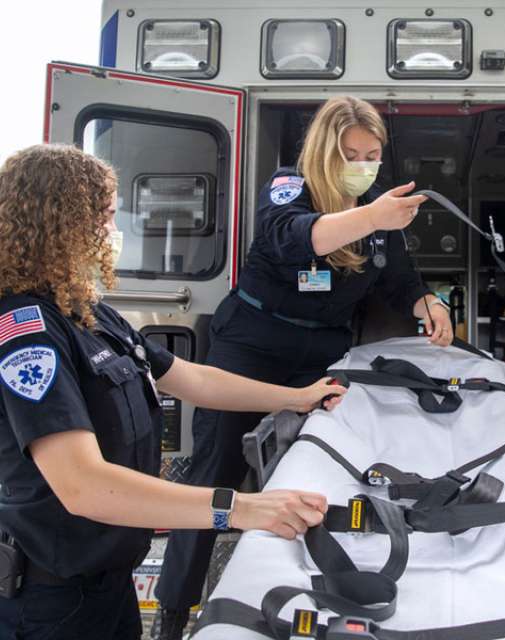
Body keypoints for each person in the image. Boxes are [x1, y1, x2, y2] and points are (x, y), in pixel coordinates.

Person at [0, 144, 347, 640]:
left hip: (106, 584)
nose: (111, 229)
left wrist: (297, 398)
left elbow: (192, 379)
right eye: (103, 215)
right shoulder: (27, 330)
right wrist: (242, 508)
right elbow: (83, 486)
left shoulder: (90, 314)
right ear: (61, 222)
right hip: (51, 600)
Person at [155, 95, 454, 638]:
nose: (363, 165)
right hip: (250, 351)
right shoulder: (289, 187)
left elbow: (400, 280)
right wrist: (372, 214)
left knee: (323, 473)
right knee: (215, 474)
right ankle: (175, 611)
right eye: (351, 154)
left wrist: (428, 303)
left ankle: (314, 601)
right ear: (325, 150)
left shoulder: (379, 216)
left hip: (319, 360)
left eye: (372, 154)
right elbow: (298, 238)